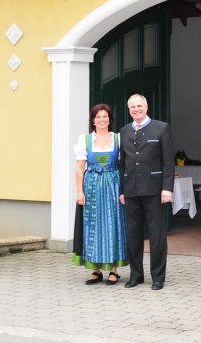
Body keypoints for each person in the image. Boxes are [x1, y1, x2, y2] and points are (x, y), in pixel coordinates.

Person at [118, 94, 174, 290]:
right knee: (133, 234)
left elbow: (168, 162)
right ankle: (136, 275)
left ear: (146, 106)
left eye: (139, 105)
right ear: (129, 110)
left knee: (157, 234)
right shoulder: (124, 131)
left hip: (154, 190)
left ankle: (158, 277)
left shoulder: (161, 128)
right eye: (132, 106)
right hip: (131, 190)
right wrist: (122, 191)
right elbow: (122, 164)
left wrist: (167, 188)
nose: (136, 109)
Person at [72, 104, 128, 285]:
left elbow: (124, 166)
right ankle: (95, 270)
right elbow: (80, 168)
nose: (102, 120)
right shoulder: (85, 140)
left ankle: (113, 270)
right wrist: (79, 191)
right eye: (98, 117)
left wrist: (124, 190)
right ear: (93, 120)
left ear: (110, 120)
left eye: (105, 117)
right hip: (92, 187)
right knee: (92, 225)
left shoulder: (118, 139)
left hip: (112, 186)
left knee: (112, 225)